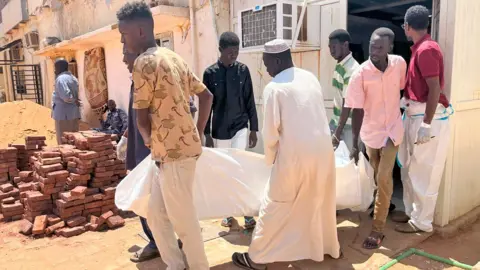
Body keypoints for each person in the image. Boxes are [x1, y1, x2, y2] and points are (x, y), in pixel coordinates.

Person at [117, 2, 213, 269]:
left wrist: (147, 139)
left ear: (139, 31)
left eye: (123, 35)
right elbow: (206, 96)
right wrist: (199, 132)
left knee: (184, 223)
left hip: (172, 156)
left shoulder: (144, 63)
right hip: (171, 155)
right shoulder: (173, 56)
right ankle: (175, 265)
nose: (122, 41)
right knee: (157, 215)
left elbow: (141, 118)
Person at [231, 39, 340, 269]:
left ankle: (257, 258)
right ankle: (327, 247)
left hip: (295, 158)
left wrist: (269, 162)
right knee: (318, 200)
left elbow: (270, 134)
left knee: (274, 204)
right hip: (323, 153)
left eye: (267, 64)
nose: (266, 70)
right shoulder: (310, 77)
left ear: (278, 60)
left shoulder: (274, 88)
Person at [345, 28, 406, 249]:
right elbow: (356, 110)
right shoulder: (360, 74)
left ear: (390, 47)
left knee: (383, 176)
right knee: (377, 177)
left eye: (380, 47)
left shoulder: (399, 64)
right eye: (372, 45)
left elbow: (401, 87)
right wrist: (354, 144)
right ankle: (384, 204)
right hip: (371, 133)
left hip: (393, 130)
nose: (374, 51)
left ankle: (377, 229)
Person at [394, 5, 452, 234]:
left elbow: (434, 87)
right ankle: (411, 213)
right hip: (415, 113)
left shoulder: (427, 49)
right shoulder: (420, 48)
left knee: (424, 171)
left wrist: (426, 124)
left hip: (427, 117)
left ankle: (423, 222)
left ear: (407, 26)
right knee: (409, 168)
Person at [203, 31, 258, 229]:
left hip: (240, 127)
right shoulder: (210, 74)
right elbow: (207, 105)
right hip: (219, 130)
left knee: (240, 167)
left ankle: (248, 214)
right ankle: (227, 213)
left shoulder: (243, 71)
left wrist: (254, 129)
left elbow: (250, 100)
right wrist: (206, 133)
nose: (233, 55)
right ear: (220, 50)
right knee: (224, 171)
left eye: (236, 51)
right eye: (229, 52)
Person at [328, 29, 360, 151]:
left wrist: (337, 132)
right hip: (337, 122)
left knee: (348, 165)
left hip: (348, 127)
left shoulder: (351, 70)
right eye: (329, 47)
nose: (331, 51)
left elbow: (347, 104)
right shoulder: (341, 65)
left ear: (345, 45)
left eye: (334, 46)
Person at [52, 59, 81, 144]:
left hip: (63, 116)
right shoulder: (73, 77)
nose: (54, 70)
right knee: (73, 139)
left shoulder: (60, 79)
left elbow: (66, 96)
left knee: (63, 140)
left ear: (59, 68)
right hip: (73, 113)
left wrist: (73, 100)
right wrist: (75, 100)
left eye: (55, 68)